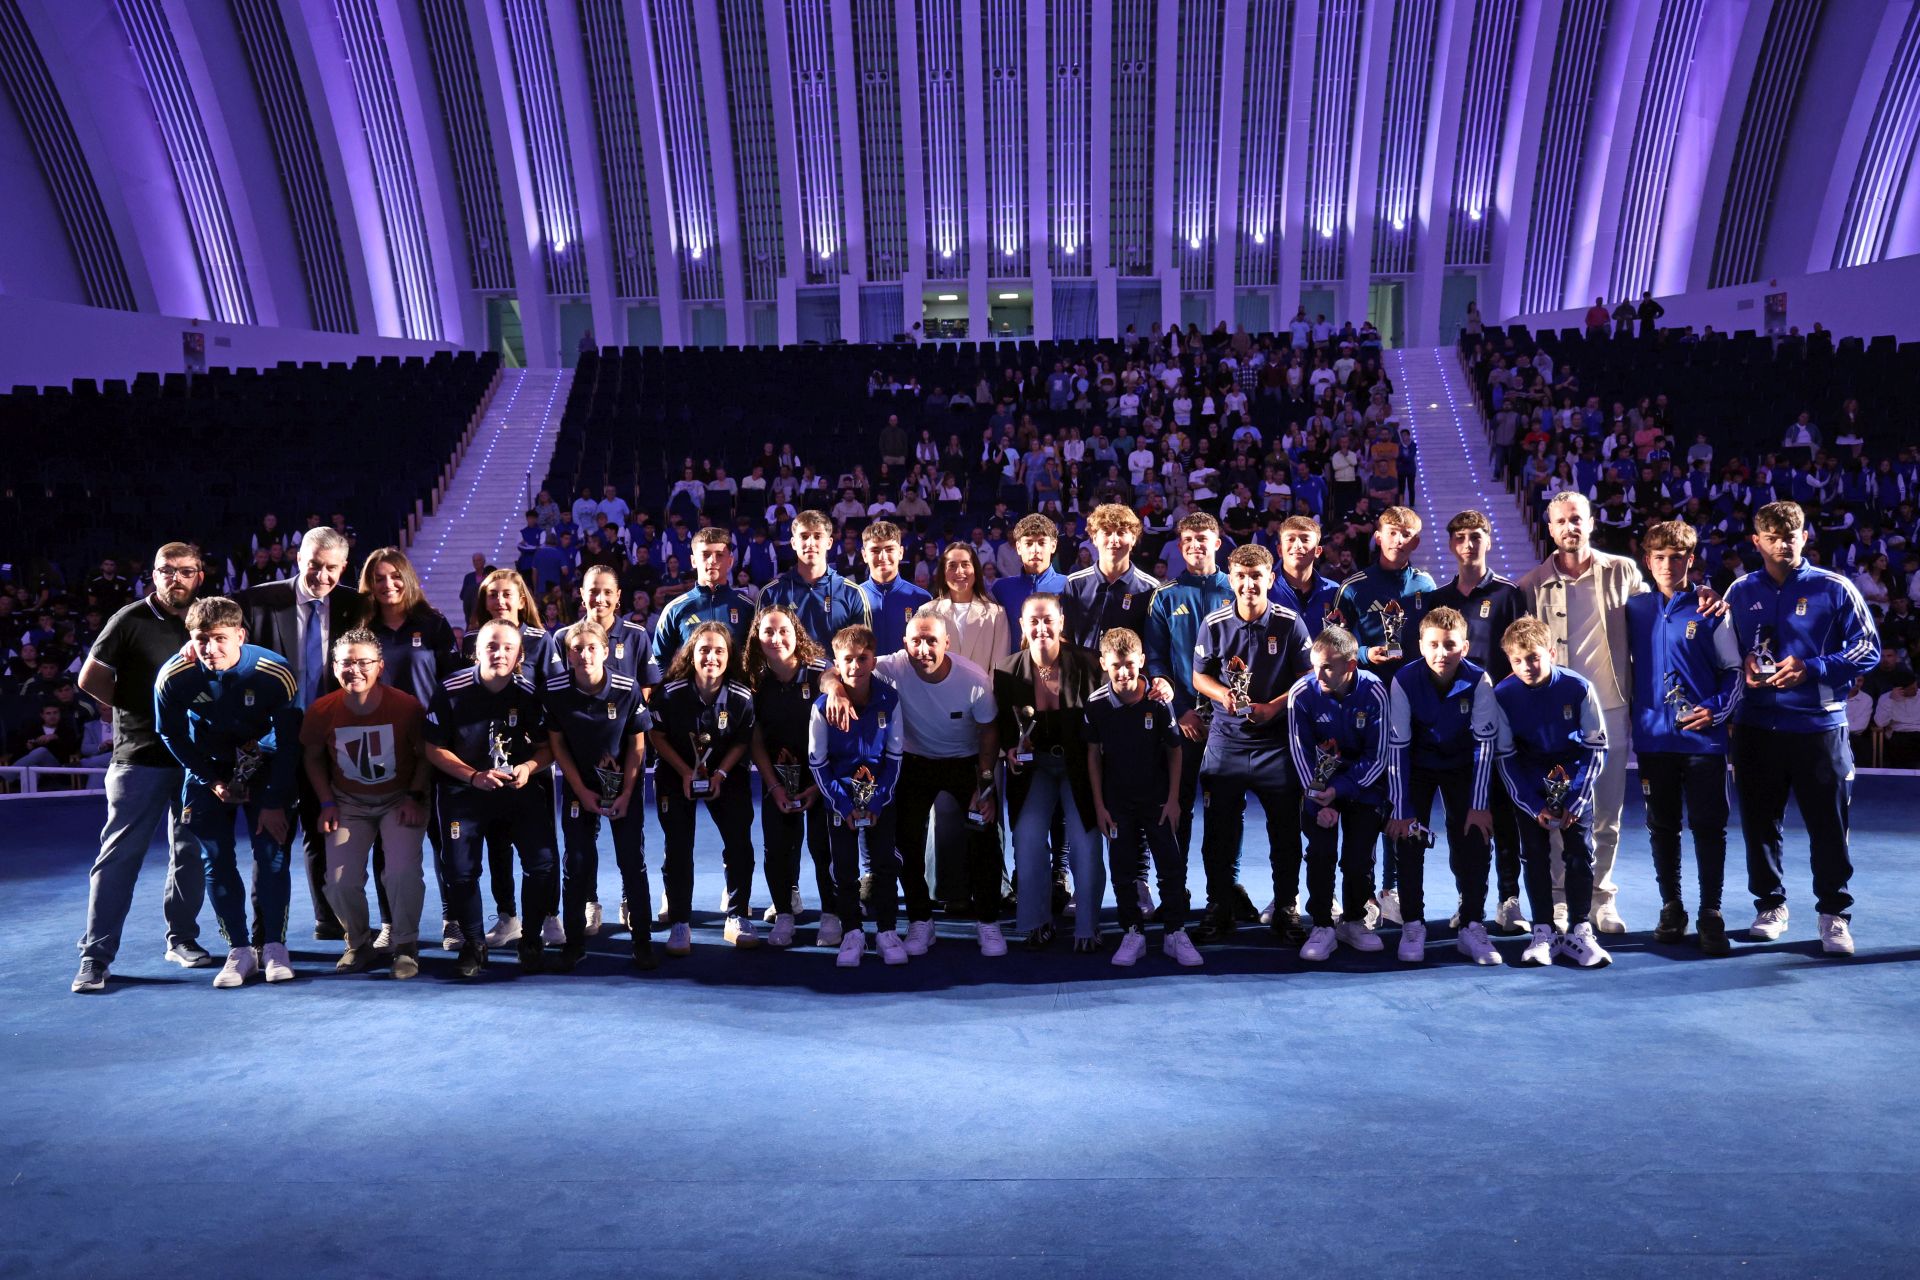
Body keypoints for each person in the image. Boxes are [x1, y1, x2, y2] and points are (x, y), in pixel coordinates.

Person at [1724, 501, 1881, 955]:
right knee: (1759, 824)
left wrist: (1812, 667)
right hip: (1755, 727)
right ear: (1757, 542)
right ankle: (1770, 905)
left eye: (1791, 534)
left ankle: (1834, 914)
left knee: (1828, 826)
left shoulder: (1835, 587)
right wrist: (1745, 667)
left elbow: (1868, 648)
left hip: (1819, 727)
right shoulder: (1739, 592)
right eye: (1773, 536)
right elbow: (1725, 654)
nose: (1783, 542)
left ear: (1805, 536)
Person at [71, 542, 211, 993]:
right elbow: (89, 678)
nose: (176, 578)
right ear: (153, 575)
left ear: (199, 576)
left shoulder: (206, 621)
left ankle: (182, 939)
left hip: (193, 761)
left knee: (189, 853)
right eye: (166, 570)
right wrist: (141, 708)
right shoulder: (128, 619)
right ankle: (95, 957)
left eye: (185, 571)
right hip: (138, 758)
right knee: (119, 858)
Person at [821, 612, 1004, 954]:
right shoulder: (891, 666)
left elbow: (989, 730)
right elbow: (836, 669)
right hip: (915, 763)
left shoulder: (973, 679)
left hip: (965, 762)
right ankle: (921, 920)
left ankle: (989, 921)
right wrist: (835, 690)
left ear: (947, 643)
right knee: (903, 840)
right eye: (916, 641)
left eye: (932, 641)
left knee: (983, 836)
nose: (923, 649)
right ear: (904, 645)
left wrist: (986, 783)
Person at [153, 597, 302, 988]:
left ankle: (273, 945)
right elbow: (170, 733)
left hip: (265, 766)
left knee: (271, 855)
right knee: (215, 861)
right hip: (207, 770)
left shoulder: (274, 672)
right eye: (202, 639)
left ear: (240, 635)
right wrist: (208, 779)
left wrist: (273, 802)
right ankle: (239, 950)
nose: (210, 649)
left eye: (220, 638)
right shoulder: (173, 676)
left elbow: (289, 743)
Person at [1516, 491, 1647, 934]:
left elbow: (1655, 615)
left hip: (1610, 707)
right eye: (1561, 521)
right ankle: (1557, 899)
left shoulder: (1623, 571)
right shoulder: (1530, 584)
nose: (1570, 528)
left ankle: (1601, 897)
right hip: (1554, 716)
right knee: (1556, 807)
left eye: (1577, 519)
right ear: (1549, 529)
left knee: (1607, 810)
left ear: (1590, 523)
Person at [233, 526, 367, 943]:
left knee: (322, 830)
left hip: (331, 741)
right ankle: (266, 938)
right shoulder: (255, 601)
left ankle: (329, 918)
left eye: (331, 568)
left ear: (344, 567)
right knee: (271, 843)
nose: (321, 576)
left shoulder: (355, 606)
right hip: (272, 742)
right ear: (298, 558)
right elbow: (217, 638)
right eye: (314, 566)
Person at [1410, 509, 1529, 933]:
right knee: (1465, 818)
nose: (1468, 544)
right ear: (1450, 545)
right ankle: (1467, 899)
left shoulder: (1510, 594)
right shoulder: (1439, 598)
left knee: (1504, 813)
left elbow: (1523, 651)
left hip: (1500, 724)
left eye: (1476, 536)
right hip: (1453, 729)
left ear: (1488, 540)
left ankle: (1509, 898)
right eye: (1460, 537)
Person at [1626, 521, 1742, 956]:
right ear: (1647, 560)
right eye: (1659, 556)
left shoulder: (1713, 608)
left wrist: (1716, 710)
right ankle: (1671, 906)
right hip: (1654, 738)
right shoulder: (1633, 608)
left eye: (1677, 557)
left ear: (1691, 561)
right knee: (1662, 826)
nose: (1668, 564)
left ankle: (1711, 911)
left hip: (1703, 740)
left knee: (1710, 827)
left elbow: (1734, 670)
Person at [1190, 544, 1315, 944]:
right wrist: (1222, 696)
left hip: (1276, 743)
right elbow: (1199, 677)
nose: (1248, 584)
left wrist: (1275, 708)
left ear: (1270, 579)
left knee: (1285, 830)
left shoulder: (1290, 622)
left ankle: (1286, 906)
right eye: (1241, 577)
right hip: (1226, 741)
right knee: (1218, 831)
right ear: (1231, 578)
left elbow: (1307, 678)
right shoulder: (1213, 623)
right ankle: (1219, 905)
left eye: (1256, 576)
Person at [425, 620, 558, 977]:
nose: (499, 653)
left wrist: (529, 766)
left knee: (542, 863)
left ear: (519, 655)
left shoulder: (530, 692)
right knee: (460, 870)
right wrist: (472, 776)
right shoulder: (450, 689)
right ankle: (473, 943)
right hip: (464, 792)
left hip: (516, 790)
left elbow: (548, 749)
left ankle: (530, 939)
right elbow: (433, 748)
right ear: (476, 651)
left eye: (508, 648)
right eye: (491, 646)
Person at [299, 629, 429, 978]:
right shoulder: (321, 711)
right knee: (339, 881)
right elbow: (312, 758)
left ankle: (405, 946)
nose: (354, 669)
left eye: (363, 662)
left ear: (380, 667)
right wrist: (326, 802)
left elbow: (425, 755)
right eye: (346, 663)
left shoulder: (406, 706)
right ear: (334, 666)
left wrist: (415, 796)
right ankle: (358, 943)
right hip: (348, 803)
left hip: (399, 799)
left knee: (401, 872)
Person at [547, 564, 663, 937]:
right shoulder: (564, 636)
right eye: (592, 591)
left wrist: (623, 713)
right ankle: (589, 903)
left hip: (621, 746)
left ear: (618, 596)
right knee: (580, 845)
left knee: (631, 842)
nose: (599, 598)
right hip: (581, 757)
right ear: (581, 595)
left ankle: (631, 899)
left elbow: (647, 686)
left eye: (606, 591)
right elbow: (559, 695)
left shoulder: (637, 635)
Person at [1490, 618, 1612, 969]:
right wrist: (1531, 804)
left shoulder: (1579, 687)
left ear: (1551, 653)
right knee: (1535, 855)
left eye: (1533, 658)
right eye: (1517, 660)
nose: (1526, 666)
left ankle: (1580, 929)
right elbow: (1506, 756)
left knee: (1579, 854)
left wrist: (1577, 798)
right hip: (1530, 785)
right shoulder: (1503, 695)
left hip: (1573, 782)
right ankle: (1542, 930)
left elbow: (1596, 748)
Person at [1385, 607, 1502, 966]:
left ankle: (1471, 924)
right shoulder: (1403, 680)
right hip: (1417, 766)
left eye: (1450, 645)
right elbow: (1398, 748)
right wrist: (1402, 810)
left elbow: (1485, 747)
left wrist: (1479, 806)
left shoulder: (1480, 680)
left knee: (1474, 837)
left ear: (1464, 647)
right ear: (1420, 645)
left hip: (1463, 766)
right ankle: (1413, 923)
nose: (1442, 653)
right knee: (1408, 838)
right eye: (1433, 644)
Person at [995, 593, 1104, 950]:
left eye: (1048, 620)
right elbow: (1004, 731)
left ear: (1061, 623)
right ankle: (1034, 921)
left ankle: (1088, 925)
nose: (1041, 628)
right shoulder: (1006, 670)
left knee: (1086, 843)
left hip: (1080, 766)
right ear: (1022, 626)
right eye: (1033, 621)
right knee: (1026, 838)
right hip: (1035, 768)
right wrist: (1010, 750)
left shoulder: (1090, 665)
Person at [1086, 627, 1200, 967]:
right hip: (1117, 802)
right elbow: (1092, 756)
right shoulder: (1096, 705)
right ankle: (1132, 932)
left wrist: (1174, 799)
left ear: (1142, 662)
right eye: (1116, 664)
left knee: (1171, 866)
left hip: (1158, 800)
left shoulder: (1158, 702)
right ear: (1104, 662)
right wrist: (1099, 805)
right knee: (1122, 868)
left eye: (1130, 665)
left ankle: (1175, 932)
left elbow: (1175, 752)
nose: (1123, 672)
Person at [650, 621, 760, 952]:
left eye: (719, 651)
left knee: (740, 841)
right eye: (704, 650)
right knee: (679, 844)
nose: (711, 656)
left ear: (730, 657)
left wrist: (721, 774)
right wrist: (686, 771)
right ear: (691, 655)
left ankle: (737, 915)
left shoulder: (741, 698)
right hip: (675, 772)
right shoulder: (669, 695)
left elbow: (743, 741)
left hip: (725, 774)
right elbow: (656, 736)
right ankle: (681, 922)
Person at [460, 569, 553, 948]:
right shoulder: (471, 639)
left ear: (521, 599)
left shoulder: (541, 640)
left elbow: (552, 694)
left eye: (506, 594)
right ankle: (507, 915)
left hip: (531, 761)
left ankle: (550, 916)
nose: (499, 600)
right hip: (487, 764)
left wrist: (537, 756)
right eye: (492, 594)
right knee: (496, 844)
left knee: (542, 844)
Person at [1287, 627, 1392, 961]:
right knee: (1320, 853)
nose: (1317, 674)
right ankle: (1321, 925)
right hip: (1317, 787)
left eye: (1327, 667)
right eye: (1315, 664)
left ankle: (1354, 921)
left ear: (1350, 665)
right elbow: (1300, 754)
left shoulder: (1375, 691)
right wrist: (1319, 798)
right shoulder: (1301, 693)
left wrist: (1341, 790)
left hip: (1363, 784)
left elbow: (1379, 758)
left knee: (1359, 857)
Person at [809, 625, 906, 966]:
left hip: (881, 798)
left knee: (883, 863)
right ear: (836, 662)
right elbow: (817, 762)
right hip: (841, 801)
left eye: (862, 658)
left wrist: (878, 800)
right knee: (845, 868)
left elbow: (894, 757)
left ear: (873, 660)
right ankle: (852, 932)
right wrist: (844, 804)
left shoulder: (889, 699)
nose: (855, 666)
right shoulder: (822, 707)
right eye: (847, 659)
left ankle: (887, 931)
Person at [746, 605, 835, 947]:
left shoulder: (818, 672)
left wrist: (818, 785)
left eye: (783, 630)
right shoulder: (756, 680)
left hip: (821, 779)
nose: (777, 638)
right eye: (768, 631)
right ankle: (784, 913)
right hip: (778, 779)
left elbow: (832, 688)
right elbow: (755, 739)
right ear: (757, 637)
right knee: (776, 848)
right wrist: (772, 785)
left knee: (822, 846)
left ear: (796, 633)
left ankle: (832, 912)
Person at [760, 510, 871, 648]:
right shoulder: (771, 592)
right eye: (804, 536)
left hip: (836, 670)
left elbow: (861, 650)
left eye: (818, 536)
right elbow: (760, 651)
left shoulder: (852, 593)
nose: (811, 543)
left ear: (830, 542)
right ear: (793, 543)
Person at [651, 526, 757, 669]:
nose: (712, 561)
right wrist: (674, 690)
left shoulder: (747, 607)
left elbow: (757, 657)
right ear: (693, 561)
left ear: (730, 561)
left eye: (719, 555)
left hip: (736, 689)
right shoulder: (674, 609)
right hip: (688, 691)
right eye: (705, 554)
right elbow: (658, 660)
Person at [1061, 503, 1162, 651]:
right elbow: (1066, 638)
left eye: (1121, 532)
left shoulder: (1151, 588)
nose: (1114, 540)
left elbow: (1154, 645)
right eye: (1107, 533)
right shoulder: (1075, 583)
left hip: (1129, 674)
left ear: (1134, 538)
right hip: (1084, 673)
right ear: (1094, 538)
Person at [921, 542, 1011, 675]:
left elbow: (999, 668)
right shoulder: (926, 612)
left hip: (982, 694)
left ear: (975, 570)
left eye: (965, 564)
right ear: (943, 573)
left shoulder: (996, 614)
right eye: (952, 566)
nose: (959, 571)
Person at [988, 513, 1073, 648]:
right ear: (1018, 547)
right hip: (1012, 667)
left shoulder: (1069, 585)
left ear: (1053, 546)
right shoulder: (1001, 589)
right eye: (1028, 543)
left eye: (1041, 543)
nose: (1035, 550)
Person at [858, 520, 932, 654]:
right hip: (866, 675)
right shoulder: (852, 598)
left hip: (909, 674)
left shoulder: (922, 599)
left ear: (901, 553)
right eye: (875, 550)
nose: (883, 557)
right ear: (864, 555)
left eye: (889, 549)